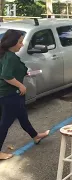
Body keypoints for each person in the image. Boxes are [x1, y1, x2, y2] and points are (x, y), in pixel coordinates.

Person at [0, 29, 50, 160]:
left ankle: (35, 136)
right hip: (10, 95)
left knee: (22, 116)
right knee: (4, 124)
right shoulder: (10, 56)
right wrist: (21, 85)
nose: (22, 45)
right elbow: (6, 76)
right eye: (20, 42)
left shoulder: (5, 54)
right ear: (12, 42)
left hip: (9, 94)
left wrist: (23, 73)